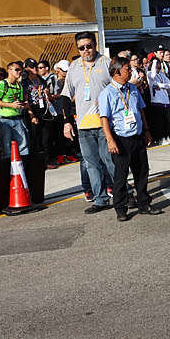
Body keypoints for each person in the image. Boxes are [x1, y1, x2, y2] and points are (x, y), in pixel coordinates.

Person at [98, 57, 163, 222]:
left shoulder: (132, 89)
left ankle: (144, 203)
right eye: (127, 68)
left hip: (137, 136)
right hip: (121, 139)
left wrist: (146, 130)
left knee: (142, 172)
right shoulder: (107, 93)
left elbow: (141, 110)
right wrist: (110, 140)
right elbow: (104, 118)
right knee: (120, 175)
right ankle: (121, 208)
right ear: (117, 71)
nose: (131, 71)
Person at [62, 32, 117, 213]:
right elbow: (65, 95)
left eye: (89, 46)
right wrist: (67, 122)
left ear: (95, 45)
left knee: (110, 161)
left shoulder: (106, 63)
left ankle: (122, 193)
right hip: (84, 126)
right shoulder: (74, 67)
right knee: (91, 164)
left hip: (105, 124)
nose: (86, 50)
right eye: (82, 48)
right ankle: (100, 199)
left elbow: (117, 90)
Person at [0, 61, 31, 156]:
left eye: (20, 70)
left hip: (17, 118)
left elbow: (19, 100)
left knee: (23, 145)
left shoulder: (19, 86)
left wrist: (23, 105)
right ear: (9, 71)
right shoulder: (2, 84)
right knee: (7, 147)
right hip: (4, 119)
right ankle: (9, 169)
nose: (19, 72)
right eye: (17, 70)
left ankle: (24, 167)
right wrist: (11, 105)